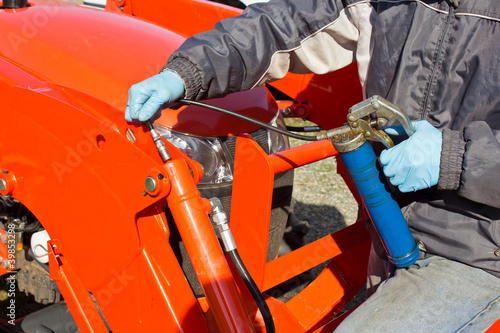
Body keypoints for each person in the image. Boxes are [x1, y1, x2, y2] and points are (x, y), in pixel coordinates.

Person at [126, 0, 500, 331]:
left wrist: (456, 157)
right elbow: (282, 22)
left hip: (480, 255)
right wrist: (188, 72)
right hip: (393, 230)